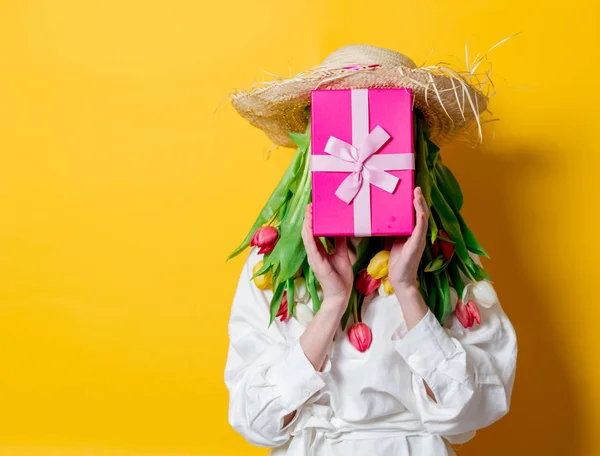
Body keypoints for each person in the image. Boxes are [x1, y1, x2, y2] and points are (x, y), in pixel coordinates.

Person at [224, 45, 517, 455]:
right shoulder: (272, 268)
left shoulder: (448, 263)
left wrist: (409, 288)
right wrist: (333, 304)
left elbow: (470, 411)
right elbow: (257, 421)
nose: (362, 152)